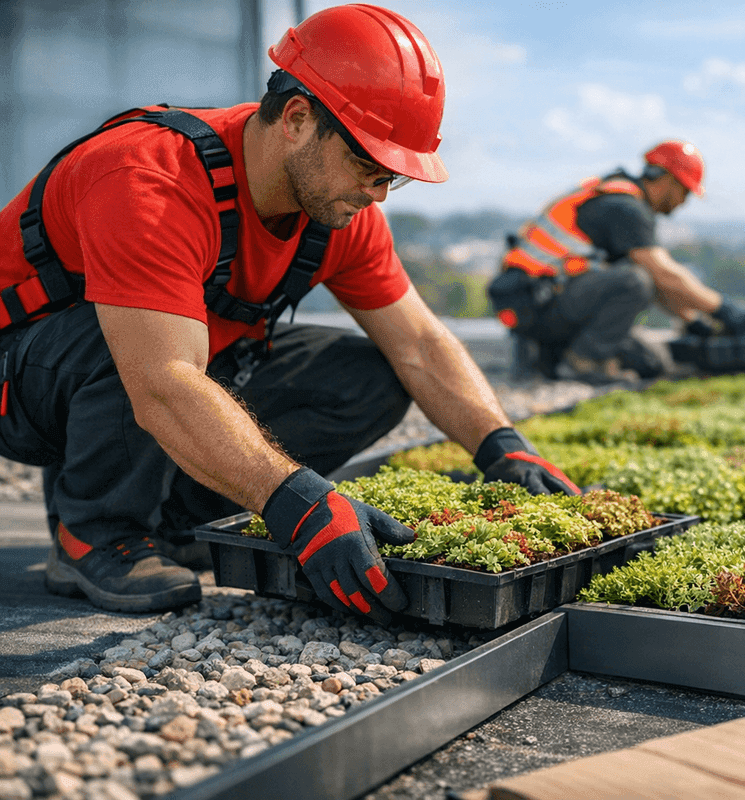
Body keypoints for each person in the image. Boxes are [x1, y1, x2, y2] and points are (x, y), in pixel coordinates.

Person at [0, 4, 577, 619]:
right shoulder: (151, 180)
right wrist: (295, 503)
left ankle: (168, 522)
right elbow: (162, 382)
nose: (379, 193)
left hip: (163, 369)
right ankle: (96, 531)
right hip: (27, 379)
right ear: (298, 119)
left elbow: (419, 346)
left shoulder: (336, 216)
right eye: (370, 165)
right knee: (130, 345)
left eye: (395, 178)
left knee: (371, 373)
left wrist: (502, 445)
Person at [488, 140, 745, 383]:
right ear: (668, 181)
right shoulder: (626, 209)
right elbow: (661, 275)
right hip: (539, 302)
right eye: (685, 192)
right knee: (636, 280)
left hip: (548, 301)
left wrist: (692, 320)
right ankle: (581, 362)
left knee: (650, 363)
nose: (683, 202)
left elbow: (658, 283)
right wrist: (724, 310)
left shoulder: (619, 198)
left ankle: (557, 356)